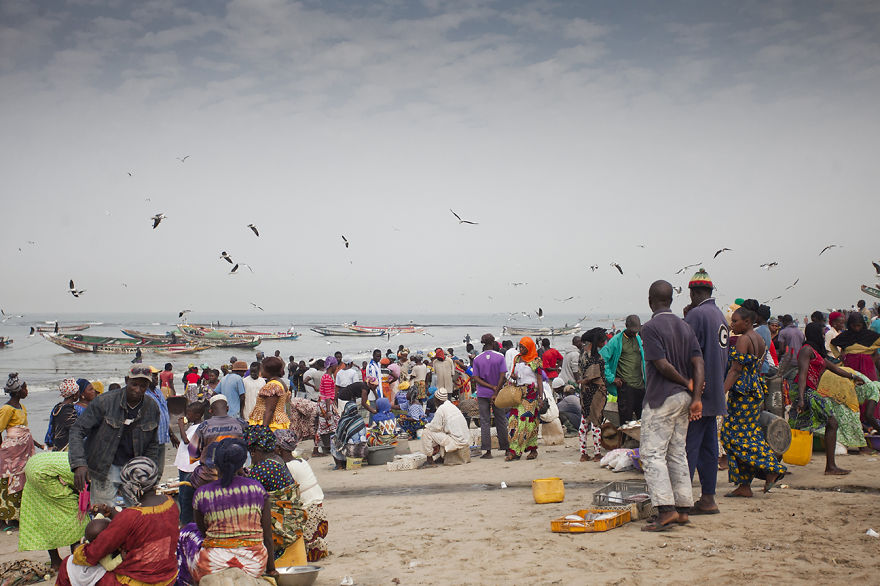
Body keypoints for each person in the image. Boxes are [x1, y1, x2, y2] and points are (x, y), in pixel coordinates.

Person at [639, 280, 705, 531]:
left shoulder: (651, 327)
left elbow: (662, 365)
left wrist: (685, 383)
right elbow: (698, 362)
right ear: (671, 300)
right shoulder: (685, 326)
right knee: (677, 452)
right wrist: (695, 395)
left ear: (650, 300)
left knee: (652, 454)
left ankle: (666, 510)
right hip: (684, 399)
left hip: (662, 397)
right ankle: (683, 507)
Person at [56, 457, 180, 586]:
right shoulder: (170, 503)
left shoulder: (130, 516)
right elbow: (144, 524)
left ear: (131, 485)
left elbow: (97, 550)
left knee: (68, 565)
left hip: (137, 581)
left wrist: (79, 551)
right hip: (168, 575)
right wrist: (111, 511)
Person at [178, 438, 276, 583]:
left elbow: (203, 531)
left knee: (186, 533)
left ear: (216, 463)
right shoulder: (257, 489)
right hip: (254, 563)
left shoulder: (202, 493)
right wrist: (271, 570)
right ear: (242, 463)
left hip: (213, 564)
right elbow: (267, 534)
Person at [719, 301, 788, 498]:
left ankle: (771, 468)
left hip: (742, 393)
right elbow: (756, 369)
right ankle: (744, 485)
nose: (732, 325)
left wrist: (722, 391)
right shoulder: (759, 338)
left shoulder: (743, 340)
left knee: (733, 436)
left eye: (735, 321)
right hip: (755, 391)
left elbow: (735, 370)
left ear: (747, 321)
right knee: (749, 433)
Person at [69, 366, 161, 506]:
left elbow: (153, 444)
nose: (138, 389)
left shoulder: (151, 407)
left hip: (134, 471)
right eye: (134, 384)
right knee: (103, 514)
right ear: (126, 380)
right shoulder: (104, 402)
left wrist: (149, 472)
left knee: (135, 515)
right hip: (105, 468)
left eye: (143, 386)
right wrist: (79, 464)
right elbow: (77, 429)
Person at [682, 269, 729, 514]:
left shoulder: (698, 315)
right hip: (715, 393)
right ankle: (708, 498)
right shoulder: (719, 314)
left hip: (698, 394)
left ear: (693, 292)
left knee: (688, 447)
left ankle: (681, 501)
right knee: (709, 448)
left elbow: (685, 353)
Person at [791, 322, 863, 475]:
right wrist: (802, 398)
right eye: (822, 333)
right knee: (832, 422)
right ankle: (830, 467)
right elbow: (803, 374)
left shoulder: (815, 352)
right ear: (815, 334)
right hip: (805, 391)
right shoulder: (806, 350)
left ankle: (773, 467)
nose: (824, 336)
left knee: (793, 427)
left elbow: (834, 368)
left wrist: (853, 376)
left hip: (807, 391)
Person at [244, 425, 307, 568]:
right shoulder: (278, 460)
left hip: (280, 529)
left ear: (253, 452)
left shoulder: (262, 468)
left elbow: (248, 495)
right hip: (293, 525)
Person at [17, 451, 89, 571]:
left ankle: (55, 561)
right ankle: (76, 561)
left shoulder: (83, 456)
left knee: (45, 513)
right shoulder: (92, 471)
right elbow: (83, 491)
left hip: (34, 463)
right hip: (42, 473)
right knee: (77, 516)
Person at [273, 430, 329, 562]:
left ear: (278, 449)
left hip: (310, 514)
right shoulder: (302, 462)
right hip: (319, 512)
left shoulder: (288, 467)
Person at [0, 373, 41, 528]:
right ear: (17, 391)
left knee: (22, 481)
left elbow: (25, 431)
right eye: (25, 388)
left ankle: (17, 516)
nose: (27, 391)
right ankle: (6, 518)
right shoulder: (7, 409)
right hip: (11, 453)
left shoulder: (21, 407)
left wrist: (38, 444)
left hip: (23, 451)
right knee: (8, 482)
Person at [600, 315, 646, 424]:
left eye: (636, 331)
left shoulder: (638, 338)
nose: (634, 333)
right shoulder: (616, 341)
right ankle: (625, 440)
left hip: (641, 386)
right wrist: (611, 378)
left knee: (642, 421)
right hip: (626, 387)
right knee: (626, 422)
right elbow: (601, 359)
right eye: (632, 330)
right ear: (626, 326)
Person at [471, 333, 510, 459]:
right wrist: (495, 389)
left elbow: (475, 378)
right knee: (501, 420)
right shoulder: (500, 357)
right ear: (493, 343)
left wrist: (489, 387)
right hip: (498, 393)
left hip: (482, 393)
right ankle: (506, 448)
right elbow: (502, 375)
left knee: (485, 421)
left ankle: (487, 451)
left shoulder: (477, 359)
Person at [505, 337, 545, 462]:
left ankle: (531, 450)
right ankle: (515, 450)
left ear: (529, 347)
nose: (521, 350)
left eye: (523, 347)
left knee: (530, 424)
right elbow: (517, 377)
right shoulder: (517, 358)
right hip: (519, 394)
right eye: (520, 347)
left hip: (531, 396)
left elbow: (539, 379)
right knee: (514, 421)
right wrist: (515, 377)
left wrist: (540, 397)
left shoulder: (536, 361)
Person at [578, 328, 608, 462]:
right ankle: (597, 453)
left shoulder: (583, 355)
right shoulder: (596, 357)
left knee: (584, 421)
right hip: (595, 392)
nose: (605, 342)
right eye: (603, 340)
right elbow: (594, 375)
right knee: (596, 422)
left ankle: (583, 453)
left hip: (585, 392)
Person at [175, 401, 206, 526]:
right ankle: (186, 520)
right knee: (183, 495)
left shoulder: (199, 428)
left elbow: (187, 441)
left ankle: (186, 522)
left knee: (185, 496)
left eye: (189, 413)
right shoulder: (194, 426)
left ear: (198, 415)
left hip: (189, 467)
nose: (187, 416)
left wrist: (181, 427)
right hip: (185, 465)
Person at [421, 388, 470, 466]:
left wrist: (426, 426)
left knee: (426, 432)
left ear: (437, 400)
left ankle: (429, 460)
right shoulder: (452, 406)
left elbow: (434, 428)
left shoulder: (441, 409)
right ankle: (442, 456)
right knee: (440, 431)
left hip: (456, 442)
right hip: (464, 440)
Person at [831, 312, 880, 380]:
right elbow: (832, 344)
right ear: (849, 325)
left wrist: (874, 358)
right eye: (854, 326)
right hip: (850, 364)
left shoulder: (871, 335)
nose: (856, 328)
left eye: (858, 325)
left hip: (867, 365)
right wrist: (839, 356)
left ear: (862, 324)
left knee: (869, 385)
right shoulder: (845, 336)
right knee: (852, 385)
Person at [147, 367, 179, 469]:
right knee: (152, 469)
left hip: (162, 437)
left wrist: (171, 434)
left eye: (156, 376)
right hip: (152, 440)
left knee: (160, 469)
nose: (156, 379)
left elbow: (164, 414)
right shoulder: (145, 395)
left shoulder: (158, 391)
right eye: (153, 376)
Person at [45, 378, 80, 451]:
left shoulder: (58, 407)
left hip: (57, 444)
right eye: (78, 392)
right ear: (74, 394)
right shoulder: (68, 410)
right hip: (65, 447)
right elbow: (75, 429)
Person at [331, 402, 368, 469]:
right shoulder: (360, 419)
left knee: (333, 440)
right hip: (362, 451)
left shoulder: (344, 420)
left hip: (350, 451)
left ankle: (339, 464)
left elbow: (338, 435)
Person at [316, 357, 340, 454]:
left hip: (327, 404)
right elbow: (326, 396)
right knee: (328, 425)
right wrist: (329, 411)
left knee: (326, 426)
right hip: (325, 405)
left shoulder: (329, 376)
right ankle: (325, 446)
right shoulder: (327, 377)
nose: (337, 367)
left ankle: (327, 446)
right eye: (336, 365)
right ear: (332, 366)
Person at [777, 314, 805, 384]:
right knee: (792, 382)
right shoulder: (800, 333)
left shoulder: (783, 332)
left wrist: (778, 357)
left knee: (780, 380)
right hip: (799, 360)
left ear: (784, 322)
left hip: (787, 361)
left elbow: (781, 350)